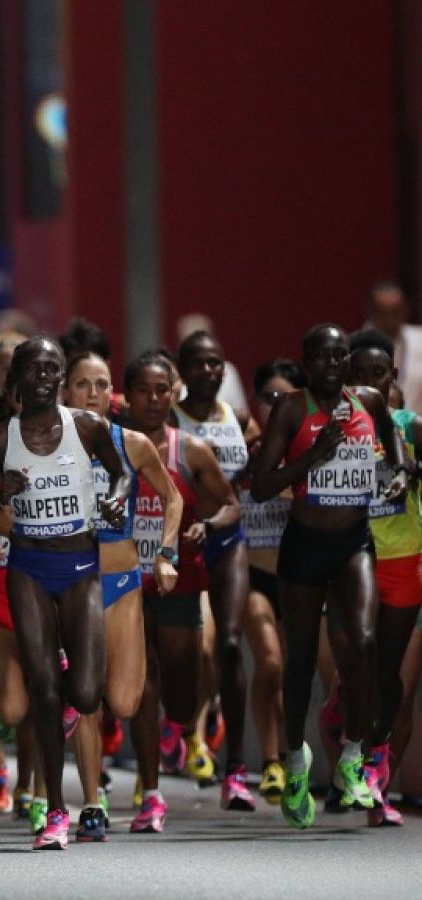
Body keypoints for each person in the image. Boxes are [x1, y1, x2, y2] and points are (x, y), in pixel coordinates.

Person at [0, 337, 129, 850]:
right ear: (15, 380)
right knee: (44, 692)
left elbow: (121, 475)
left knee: (86, 694)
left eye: (51, 369)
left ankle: (61, 678)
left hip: (80, 569)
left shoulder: (88, 427)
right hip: (29, 570)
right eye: (33, 369)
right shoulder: (0, 440)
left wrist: (115, 500)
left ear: (60, 377)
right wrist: (0, 496)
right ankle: (55, 811)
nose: (43, 377)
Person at [252, 324, 408, 829]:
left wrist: (398, 469)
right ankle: (295, 762)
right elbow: (261, 486)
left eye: (340, 355)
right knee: (299, 661)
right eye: (323, 356)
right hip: (304, 544)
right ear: (307, 362)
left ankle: (353, 758)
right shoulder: (291, 409)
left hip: (354, 542)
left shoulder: (368, 400)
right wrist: (313, 457)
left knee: (363, 640)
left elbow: (391, 434)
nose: (333, 364)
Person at [61, 350, 183, 838]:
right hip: (70, 581)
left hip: (121, 579)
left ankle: (78, 690)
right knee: (87, 699)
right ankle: (92, 804)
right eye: (82, 384)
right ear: (66, 391)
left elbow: (172, 497)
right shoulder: (44, 442)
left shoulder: (130, 443)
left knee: (126, 702)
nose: (92, 393)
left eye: (100, 384)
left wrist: (166, 554)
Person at [120, 350, 240, 834]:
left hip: (179, 580)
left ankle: (182, 725)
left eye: (162, 390)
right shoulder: (109, 445)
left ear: (174, 395)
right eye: (143, 391)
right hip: (126, 582)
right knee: (142, 684)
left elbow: (232, 505)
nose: (153, 399)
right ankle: (151, 795)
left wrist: (207, 525)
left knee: (182, 690)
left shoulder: (190, 450)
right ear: (127, 397)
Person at [172, 329, 263, 805]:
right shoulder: (171, 417)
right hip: (182, 543)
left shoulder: (238, 418)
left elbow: (255, 465)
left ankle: (236, 769)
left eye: (215, 362)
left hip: (227, 539)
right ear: (182, 370)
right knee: (195, 652)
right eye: (199, 363)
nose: (208, 370)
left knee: (228, 644)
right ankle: (187, 723)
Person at [346, 328, 420, 825]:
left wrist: (411, 467)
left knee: (390, 674)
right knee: (362, 657)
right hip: (354, 556)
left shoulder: (410, 426)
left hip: (405, 557)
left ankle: (376, 770)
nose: (369, 383)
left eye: (378, 374)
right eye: (359, 375)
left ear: (393, 377)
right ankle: (349, 720)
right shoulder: (337, 426)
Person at [239, 359, 302, 807]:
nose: (275, 405)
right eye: (268, 397)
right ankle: (271, 760)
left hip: (300, 577)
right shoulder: (242, 448)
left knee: (297, 671)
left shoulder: (310, 450)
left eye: (286, 398)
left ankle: (296, 756)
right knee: (270, 663)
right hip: (253, 574)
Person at [364, 280, 422, 413]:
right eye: (382, 312)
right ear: (370, 311)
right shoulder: (352, 349)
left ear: (406, 310)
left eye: (395, 312)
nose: (389, 319)